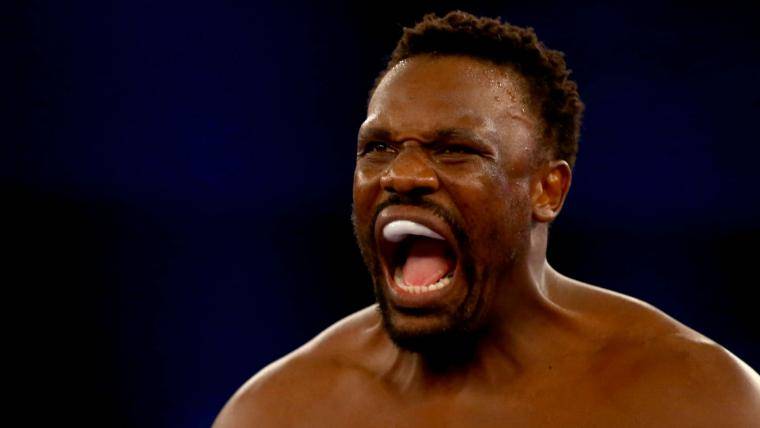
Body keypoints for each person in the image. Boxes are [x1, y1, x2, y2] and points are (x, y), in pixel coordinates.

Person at [214, 11, 760, 427]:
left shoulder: (695, 396)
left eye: (455, 150)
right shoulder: (279, 411)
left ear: (548, 190)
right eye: (378, 148)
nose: (402, 175)